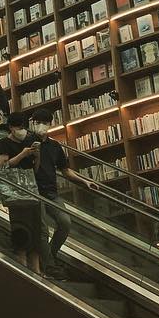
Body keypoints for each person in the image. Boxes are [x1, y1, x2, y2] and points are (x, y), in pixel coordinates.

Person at [29, 107, 97, 279]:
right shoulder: (27, 142)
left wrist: (84, 181)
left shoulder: (54, 146)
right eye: (38, 123)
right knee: (42, 230)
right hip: (33, 191)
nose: (41, 126)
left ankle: (49, 257)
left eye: (44, 123)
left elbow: (65, 170)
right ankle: (50, 266)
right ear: (32, 123)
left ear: (50, 125)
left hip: (51, 192)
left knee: (65, 222)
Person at [0, 112, 44, 273]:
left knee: (36, 228)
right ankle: (22, 265)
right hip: (16, 192)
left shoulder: (30, 141)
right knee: (20, 227)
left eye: (23, 128)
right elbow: (2, 167)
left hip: (31, 189)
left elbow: (35, 169)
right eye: (18, 128)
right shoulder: (4, 143)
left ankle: (36, 268)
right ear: (10, 128)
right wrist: (22, 154)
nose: (21, 131)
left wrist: (37, 157)